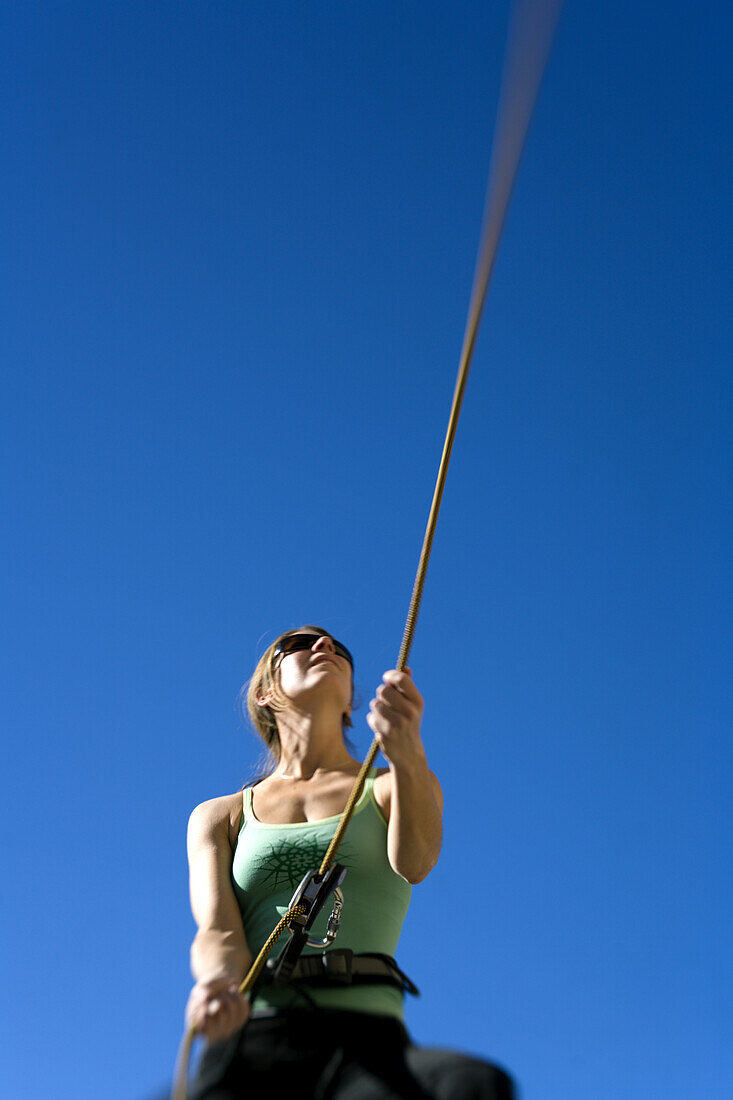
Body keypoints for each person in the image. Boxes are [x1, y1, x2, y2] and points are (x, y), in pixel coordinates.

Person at [184, 626, 514, 1099]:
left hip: (370, 1043)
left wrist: (409, 754)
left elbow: (416, 863)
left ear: (349, 705)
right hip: (256, 1037)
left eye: (339, 649)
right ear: (264, 693)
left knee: (473, 1085)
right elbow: (217, 930)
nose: (324, 647)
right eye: (299, 644)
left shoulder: (393, 784)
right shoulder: (220, 816)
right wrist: (216, 981)